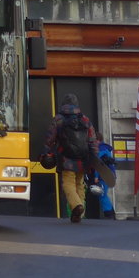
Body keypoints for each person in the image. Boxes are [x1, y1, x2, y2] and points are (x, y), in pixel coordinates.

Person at [41, 94, 99, 223]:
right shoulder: (85, 119)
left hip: (66, 158)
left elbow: (50, 138)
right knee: (79, 183)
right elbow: (92, 140)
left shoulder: (58, 119)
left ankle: (77, 205)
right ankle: (80, 212)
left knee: (68, 183)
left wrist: (46, 152)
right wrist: (94, 156)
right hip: (83, 158)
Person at [87, 139, 118, 219]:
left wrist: (96, 176)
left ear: (97, 140)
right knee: (103, 194)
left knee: (102, 195)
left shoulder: (100, 150)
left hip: (102, 177)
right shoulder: (107, 149)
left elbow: (99, 165)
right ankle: (111, 213)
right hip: (108, 176)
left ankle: (109, 214)